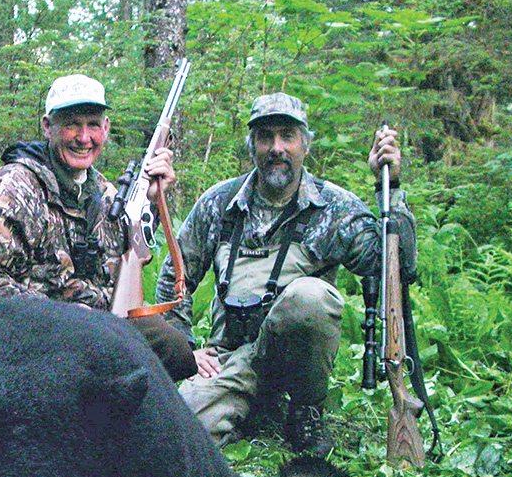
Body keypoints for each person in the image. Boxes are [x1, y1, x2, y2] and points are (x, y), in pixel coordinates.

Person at [154, 92, 417, 456]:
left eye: (287, 137)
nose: (276, 148)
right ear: (253, 147)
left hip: (293, 365)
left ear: (304, 145)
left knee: (310, 298)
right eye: (266, 137)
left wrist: (391, 188)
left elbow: (394, 267)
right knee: (177, 434)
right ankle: (246, 408)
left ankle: (305, 410)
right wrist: (184, 351)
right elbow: (174, 276)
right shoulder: (221, 204)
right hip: (230, 358)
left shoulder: (333, 207)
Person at [0, 73, 196, 379]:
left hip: (99, 328)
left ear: (105, 128)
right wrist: (66, 319)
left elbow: (126, 268)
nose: (84, 138)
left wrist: (150, 201)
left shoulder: (106, 193)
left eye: (93, 124)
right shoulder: (16, 185)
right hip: (35, 338)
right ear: (47, 126)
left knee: (177, 353)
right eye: (71, 124)